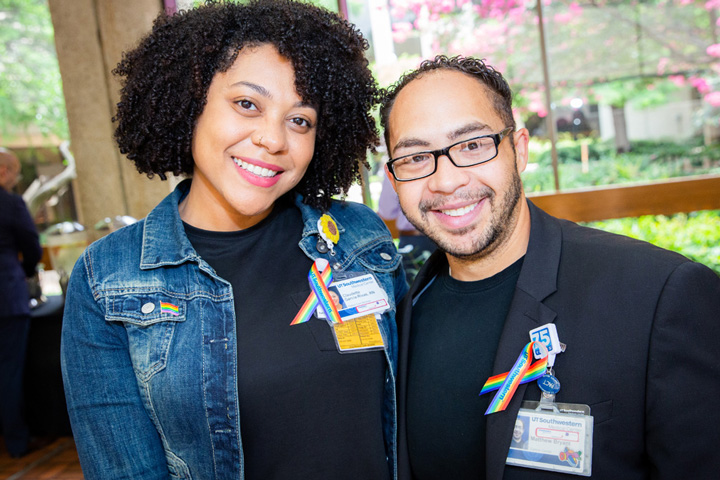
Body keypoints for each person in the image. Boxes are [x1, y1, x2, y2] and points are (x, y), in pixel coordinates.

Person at [61, 2, 406, 479]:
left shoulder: (359, 238)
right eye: (247, 104)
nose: (273, 139)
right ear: (189, 102)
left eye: (299, 120)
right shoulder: (109, 279)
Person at [379, 55, 720, 479]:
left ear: (519, 149)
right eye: (415, 157)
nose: (446, 181)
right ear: (394, 180)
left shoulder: (659, 296)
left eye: (472, 145)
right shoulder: (402, 316)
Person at [0, 147, 42, 458]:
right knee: (9, 371)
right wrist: (26, 271)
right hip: (7, 296)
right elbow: (31, 246)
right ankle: (16, 442)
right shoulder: (11, 203)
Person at [377, 174, 436, 282]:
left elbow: (387, 211)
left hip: (413, 241)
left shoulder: (396, 168)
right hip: (449, 238)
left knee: (416, 291)